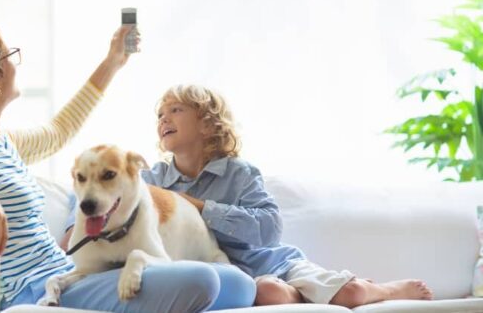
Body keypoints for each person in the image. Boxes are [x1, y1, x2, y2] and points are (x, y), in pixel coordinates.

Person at [0, 19, 256, 313]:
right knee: (203, 282)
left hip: (69, 275)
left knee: (241, 284)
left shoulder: (3, 143)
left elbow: (60, 130)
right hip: (37, 290)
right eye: (10, 54)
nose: (17, 63)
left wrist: (113, 61)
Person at [142, 84, 434, 307]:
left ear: (207, 124)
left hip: (273, 263)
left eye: (175, 110)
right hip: (240, 278)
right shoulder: (152, 181)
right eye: (160, 114)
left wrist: (203, 208)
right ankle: (316, 295)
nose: (163, 118)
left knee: (352, 293)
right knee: (269, 292)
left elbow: (269, 228)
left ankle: (385, 289)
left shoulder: (239, 173)